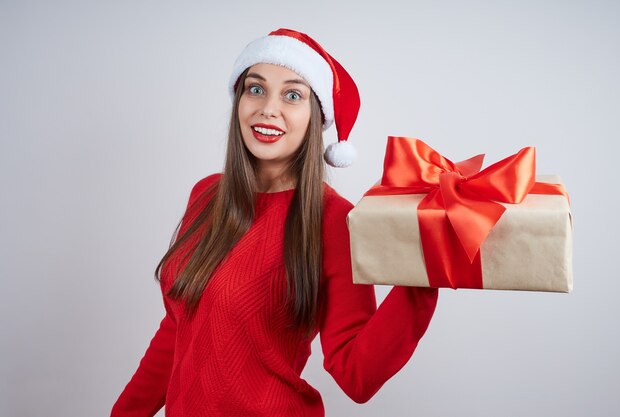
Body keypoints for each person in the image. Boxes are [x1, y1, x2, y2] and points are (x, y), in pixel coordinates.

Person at [110, 28, 438, 417]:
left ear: (316, 119)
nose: (268, 107)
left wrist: (422, 277)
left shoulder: (334, 220)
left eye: (293, 95)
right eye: (256, 89)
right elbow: (178, 329)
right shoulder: (205, 195)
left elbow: (357, 375)